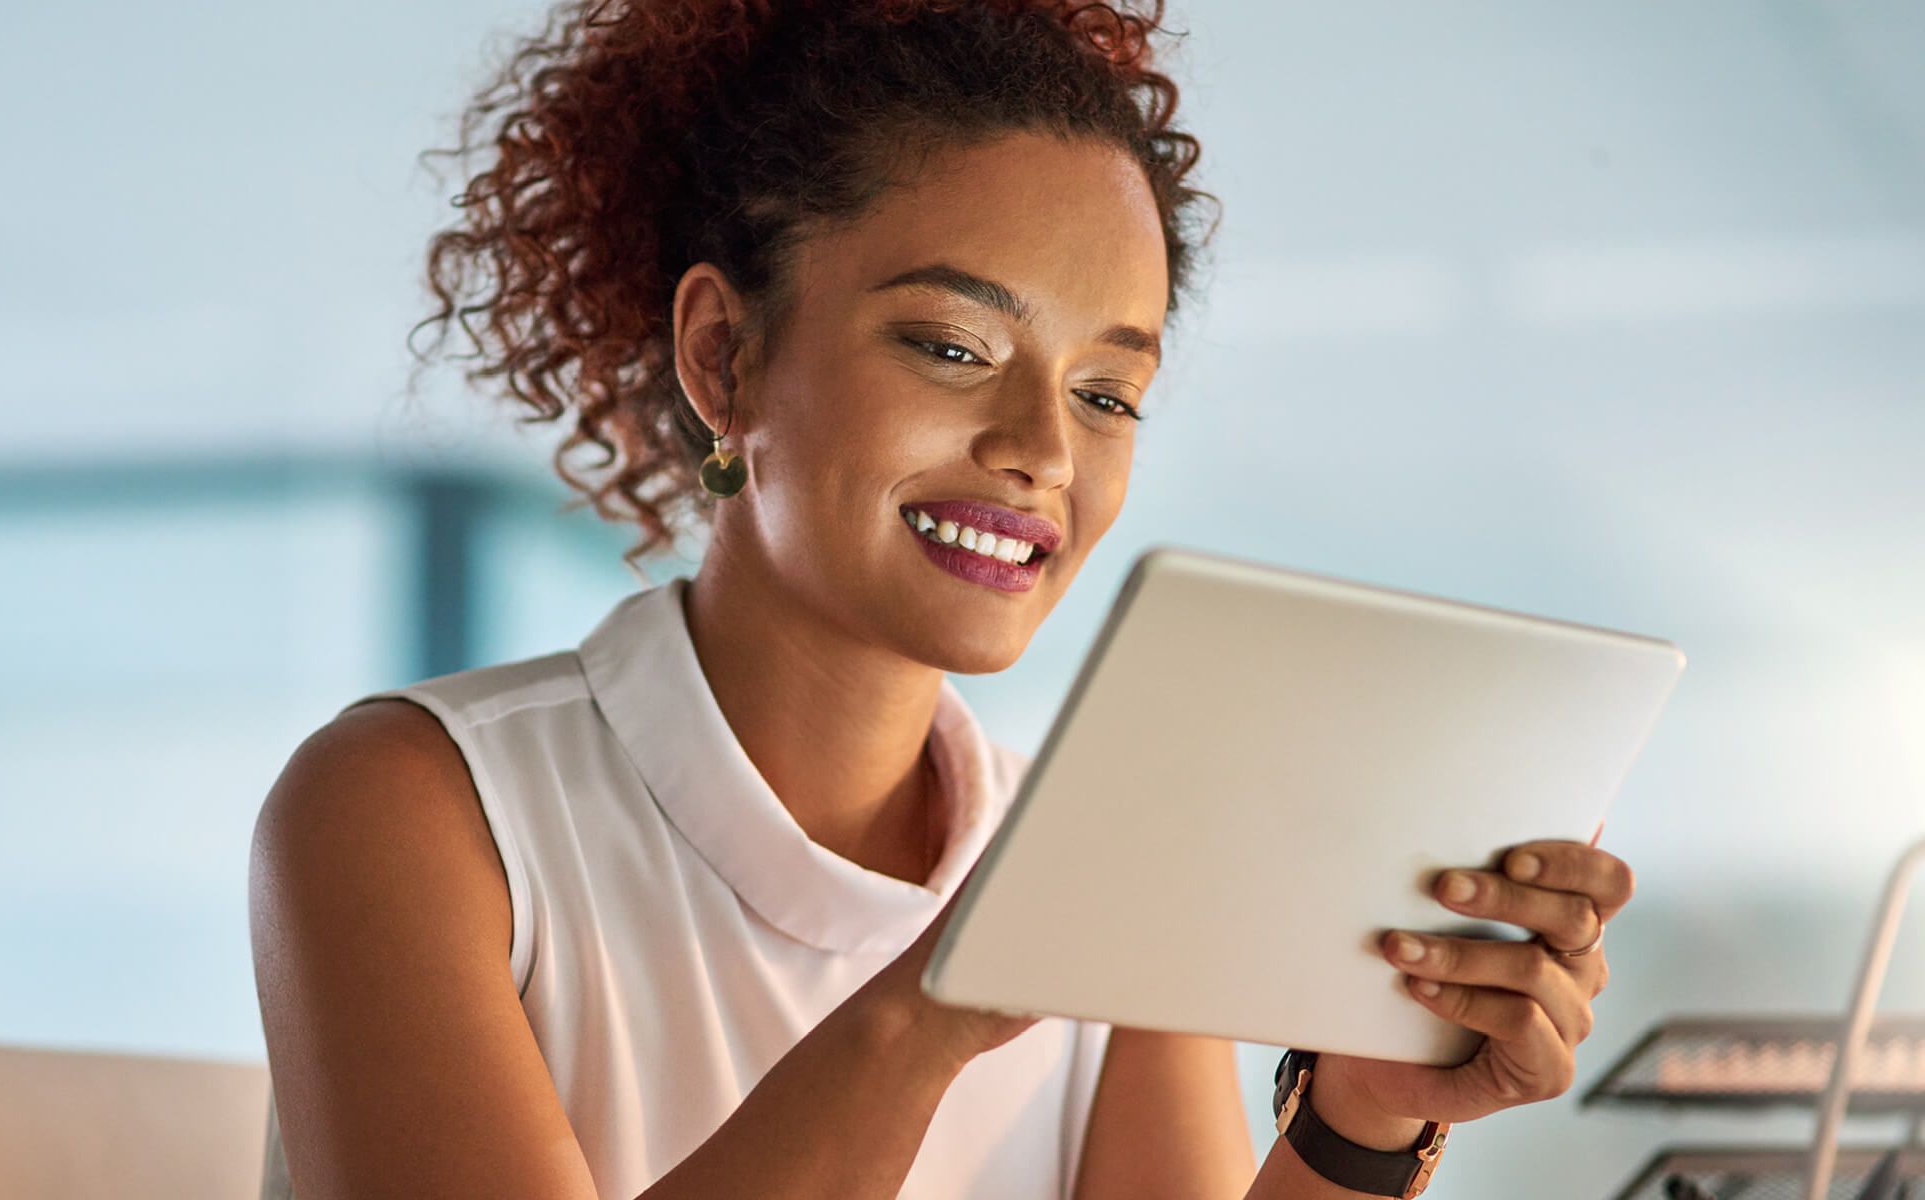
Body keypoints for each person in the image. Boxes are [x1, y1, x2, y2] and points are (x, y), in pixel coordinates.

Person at [248, 1, 1637, 1197]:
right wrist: (925, 1018)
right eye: (954, 345)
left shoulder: (1103, 850)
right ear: (725, 360)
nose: (1041, 447)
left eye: (1107, 393)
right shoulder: (411, 808)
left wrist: (1365, 1120)